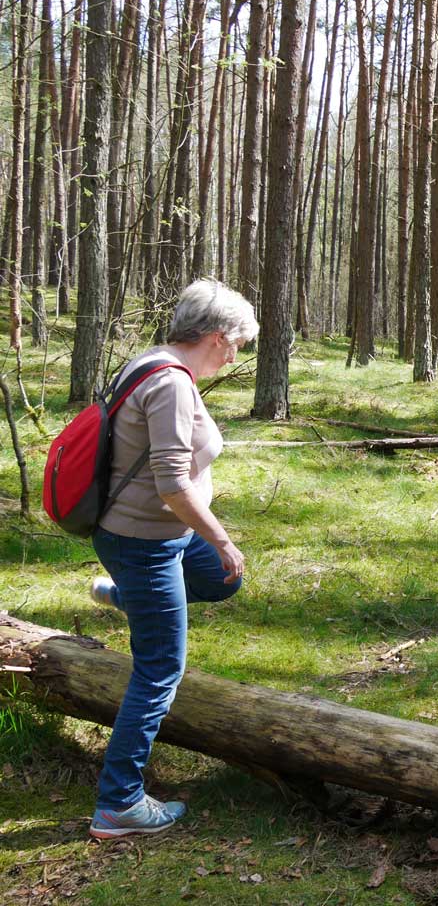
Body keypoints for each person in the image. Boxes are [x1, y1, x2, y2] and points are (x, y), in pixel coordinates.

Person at [86, 279, 258, 840]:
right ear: (215, 337)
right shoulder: (171, 386)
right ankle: (119, 803)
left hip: (150, 539)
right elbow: (173, 487)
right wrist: (223, 538)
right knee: (161, 669)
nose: (236, 355)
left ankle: (128, 600)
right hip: (147, 542)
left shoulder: (156, 363)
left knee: (220, 581)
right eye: (236, 343)